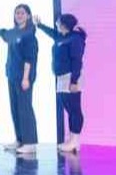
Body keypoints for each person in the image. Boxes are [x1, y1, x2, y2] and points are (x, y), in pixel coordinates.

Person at [35, 13, 87, 153]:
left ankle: (75, 140)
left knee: (74, 109)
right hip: (61, 78)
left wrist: (74, 81)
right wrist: (39, 25)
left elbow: (77, 61)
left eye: (58, 22)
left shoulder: (75, 39)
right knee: (68, 108)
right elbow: (51, 33)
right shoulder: (61, 37)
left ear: (64, 24)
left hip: (71, 77)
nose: (56, 24)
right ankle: (71, 139)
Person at [0, 4, 39, 155]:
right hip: (12, 76)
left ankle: (30, 143)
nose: (19, 15)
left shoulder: (29, 34)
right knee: (15, 109)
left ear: (28, 15)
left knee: (25, 108)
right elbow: (2, 32)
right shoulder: (13, 33)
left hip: (23, 78)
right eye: (17, 13)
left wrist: (26, 78)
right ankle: (19, 140)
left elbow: (29, 59)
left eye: (22, 13)